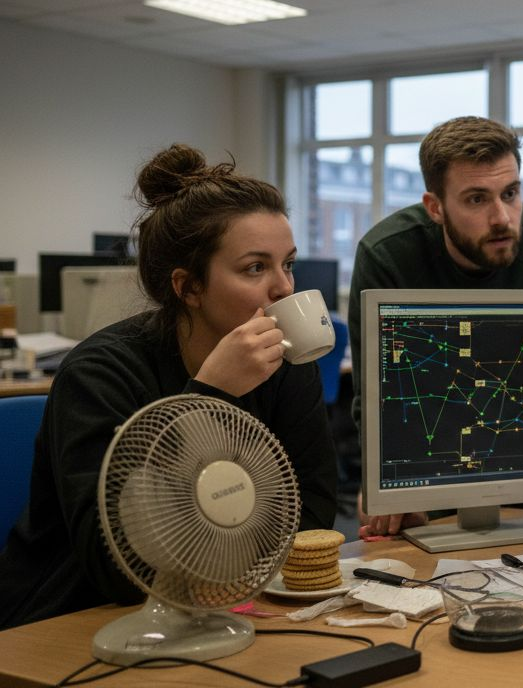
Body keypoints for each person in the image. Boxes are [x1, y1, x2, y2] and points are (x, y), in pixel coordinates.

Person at [0, 144, 338, 630]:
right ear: (188, 288)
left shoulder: (286, 362)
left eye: (287, 264)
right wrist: (210, 395)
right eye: (255, 268)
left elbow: (312, 515)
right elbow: (117, 567)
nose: (284, 289)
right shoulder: (99, 373)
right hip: (75, 619)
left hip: (223, 605)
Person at [348, 116, 523, 537]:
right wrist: (386, 487)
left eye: (511, 194)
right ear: (435, 207)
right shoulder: (386, 255)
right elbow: (378, 396)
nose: (502, 218)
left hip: (521, 447)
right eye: (476, 200)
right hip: (426, 445)